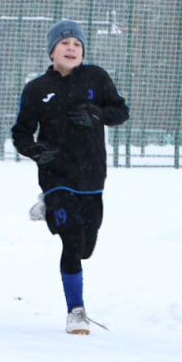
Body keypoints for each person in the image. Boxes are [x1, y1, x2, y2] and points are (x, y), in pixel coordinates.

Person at [12, 19, 129, 335]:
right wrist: (35, 151)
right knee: (73, 238)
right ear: (52, 51)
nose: (71, 48)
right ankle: (76, 312)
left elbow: (121, 111)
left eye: (77, 44)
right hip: (56, 176)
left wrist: (98, 114)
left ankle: (50, 210)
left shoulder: (96, 78)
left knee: (86, 248)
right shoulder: (37, 89)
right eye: (64, 43)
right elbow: (21, 132)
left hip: (91, 176)